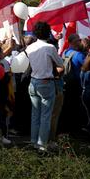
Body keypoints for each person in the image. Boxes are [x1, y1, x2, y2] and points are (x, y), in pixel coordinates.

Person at [26, 22, 63, 152]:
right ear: (48, 33)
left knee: (35, 114)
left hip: (33, 81)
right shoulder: (50, 47)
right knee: (45, 116)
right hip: (46, 82)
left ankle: (33, 141)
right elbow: (60, 64)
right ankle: (42, 145)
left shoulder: (29, 48)